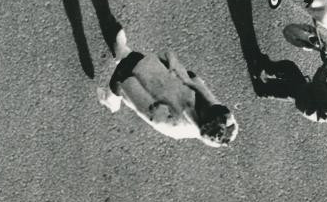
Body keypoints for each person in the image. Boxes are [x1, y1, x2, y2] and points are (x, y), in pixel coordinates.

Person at [97, 29, 238, 147]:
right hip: (164, 80)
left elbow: (146, 108)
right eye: (214, 106)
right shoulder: (213, 108)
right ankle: (122, 52)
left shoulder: (176, 124)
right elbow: (197, 84)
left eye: (209, 109)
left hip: (148, 90)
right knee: (138, 59)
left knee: (124, 71)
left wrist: (127, 81)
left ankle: (111, 100)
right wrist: (175, 67)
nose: (209, 103)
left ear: (205, 120)